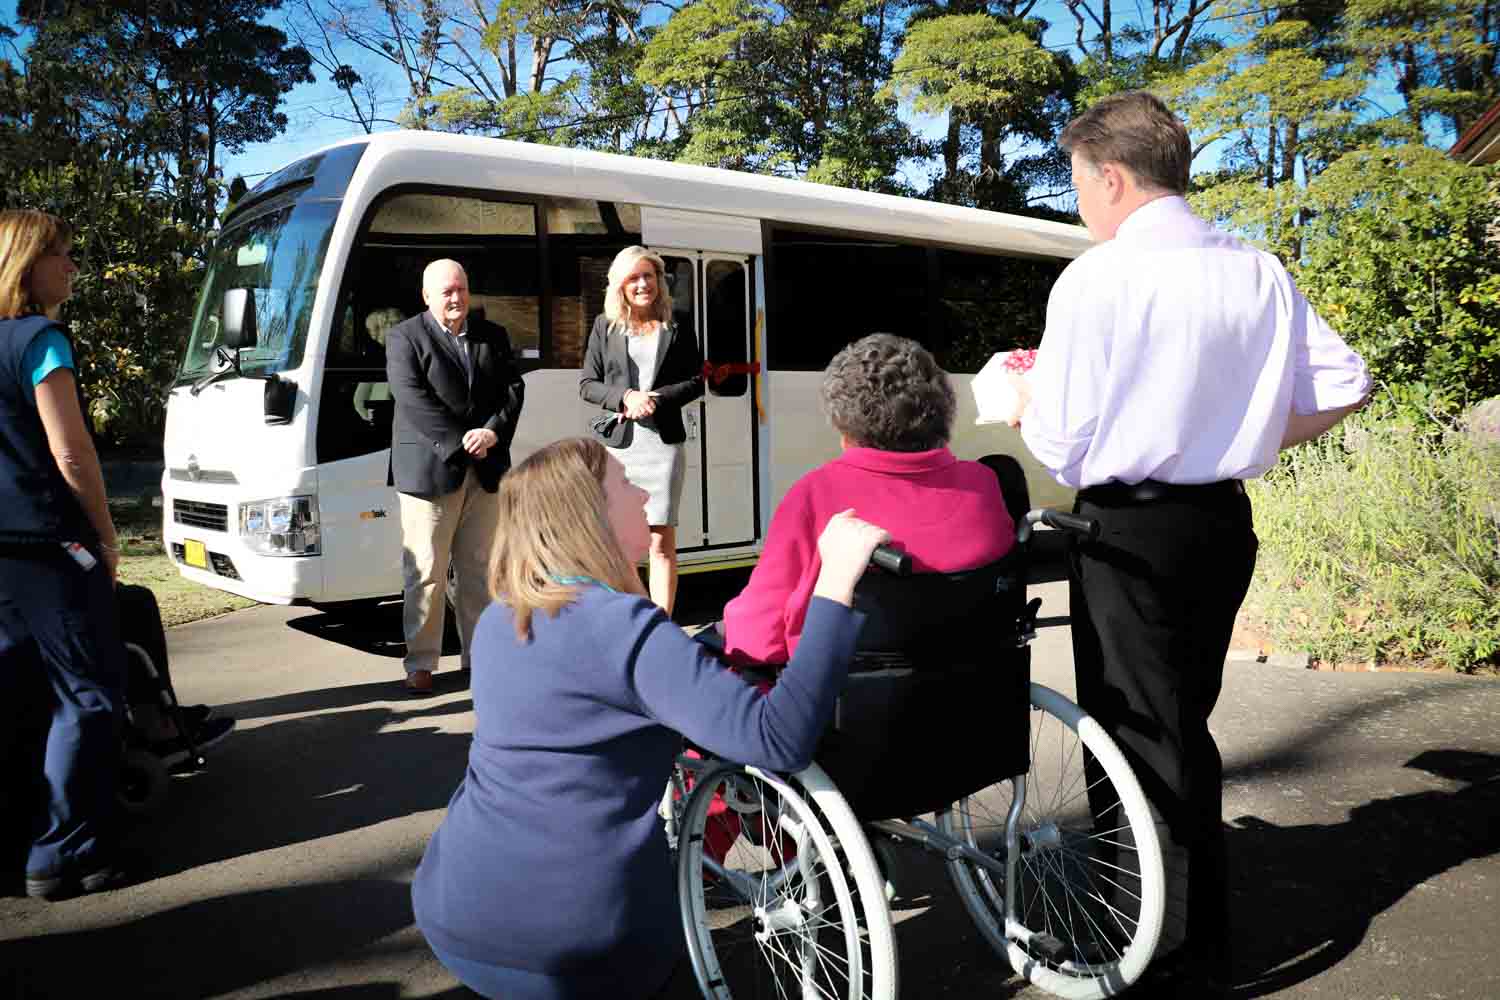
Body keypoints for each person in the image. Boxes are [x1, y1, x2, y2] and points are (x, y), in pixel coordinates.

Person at [1007, 91, 1371, 992]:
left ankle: (1159, 946)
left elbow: (1057, 442)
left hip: (1124, 527)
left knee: (1134, 734)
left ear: (1116, 176)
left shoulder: (1098, 277)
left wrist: (1017, 399)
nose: (1080, 204)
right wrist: (1243, 437)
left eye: (1081, 184)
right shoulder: (1256, 268)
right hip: (1219, 522)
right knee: (1181, 724)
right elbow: (1347, 383)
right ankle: (1189, 927)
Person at [411, 437, 887, 1000]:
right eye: (625, 483)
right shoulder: (626, 628)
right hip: (581, 940)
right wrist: (834, 586)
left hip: (457, 907)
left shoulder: (500, 619)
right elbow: (776, 740)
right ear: (588, 513)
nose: (642, 495)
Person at [720, 333, 1016, 666]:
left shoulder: (815, 494)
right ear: (941, 406)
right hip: (975, 684)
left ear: (843, 420)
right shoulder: (984, 484)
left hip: (845, 701)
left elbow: (757, 637)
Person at [0, 209, 127, 899]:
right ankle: (64, 853)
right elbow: (71, 451)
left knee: (20, 688)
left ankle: (27, 829)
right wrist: (104, 540)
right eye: (64, 255)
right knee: (88, 694)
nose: (73, 267)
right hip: (47, 541)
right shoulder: (41, 340)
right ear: (27, 263)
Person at [386, 260, 525, 695]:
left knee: (479, 569)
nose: (455, 297)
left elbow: (513, 390)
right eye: (446, 291)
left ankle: (478, 658)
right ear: (427, 297)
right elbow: (411, 397)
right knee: (425, 570)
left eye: (461, 289)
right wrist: (459, 440)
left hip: (484, 469)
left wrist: (492, 432)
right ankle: (422, 662)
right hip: (431, 472)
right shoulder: (405, 337)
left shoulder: (493, 336)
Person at [579, 246, 704, 615]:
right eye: (633, 277)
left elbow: (696, 382)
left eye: (648, 275)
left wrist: (657, 399)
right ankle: (631, 620)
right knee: (620, 543)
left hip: (662, 447)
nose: (642, 284)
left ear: (658, 279)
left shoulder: (678, 322)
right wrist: (626, 397)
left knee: (660, 543)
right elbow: (588, 383)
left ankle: (661, 625)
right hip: (620, 450)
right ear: (620, 284)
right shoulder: (606, 325)